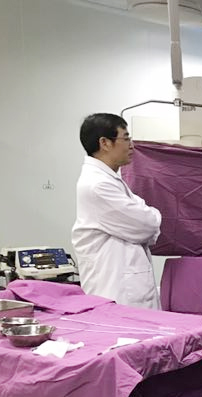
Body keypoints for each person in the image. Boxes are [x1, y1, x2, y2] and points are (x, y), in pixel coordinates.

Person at [71, 113, 162, 308]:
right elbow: (147, 224)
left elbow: (143, 219)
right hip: (115, 291)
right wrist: (151, 216)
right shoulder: (97, 185)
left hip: (127, 288)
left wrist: (147, 216)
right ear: (104, 143)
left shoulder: (109, 180)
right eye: (126, 138)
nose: (132, 145)